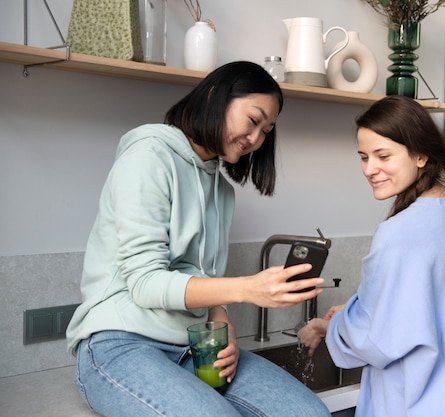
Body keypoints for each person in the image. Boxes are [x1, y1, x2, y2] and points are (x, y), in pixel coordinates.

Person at [66, 61, 331, 417]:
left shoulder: (222, 191)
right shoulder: (148, 157)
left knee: (309, 414)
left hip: (192, 346)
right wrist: (248, 289)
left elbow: (205, 281)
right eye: (253, 121)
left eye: (266, 131)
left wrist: (226, 328)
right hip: (119, 344)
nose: (256, 139)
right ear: (215, 96)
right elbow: (144, 283)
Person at [298, 95, 445, 417]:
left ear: (420, 155)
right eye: (363, 157)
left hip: (417, 403)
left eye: (383, 155)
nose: (370, 169)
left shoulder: (398, 231)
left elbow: (373, 339)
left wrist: (322, 327)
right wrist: (360, 307)